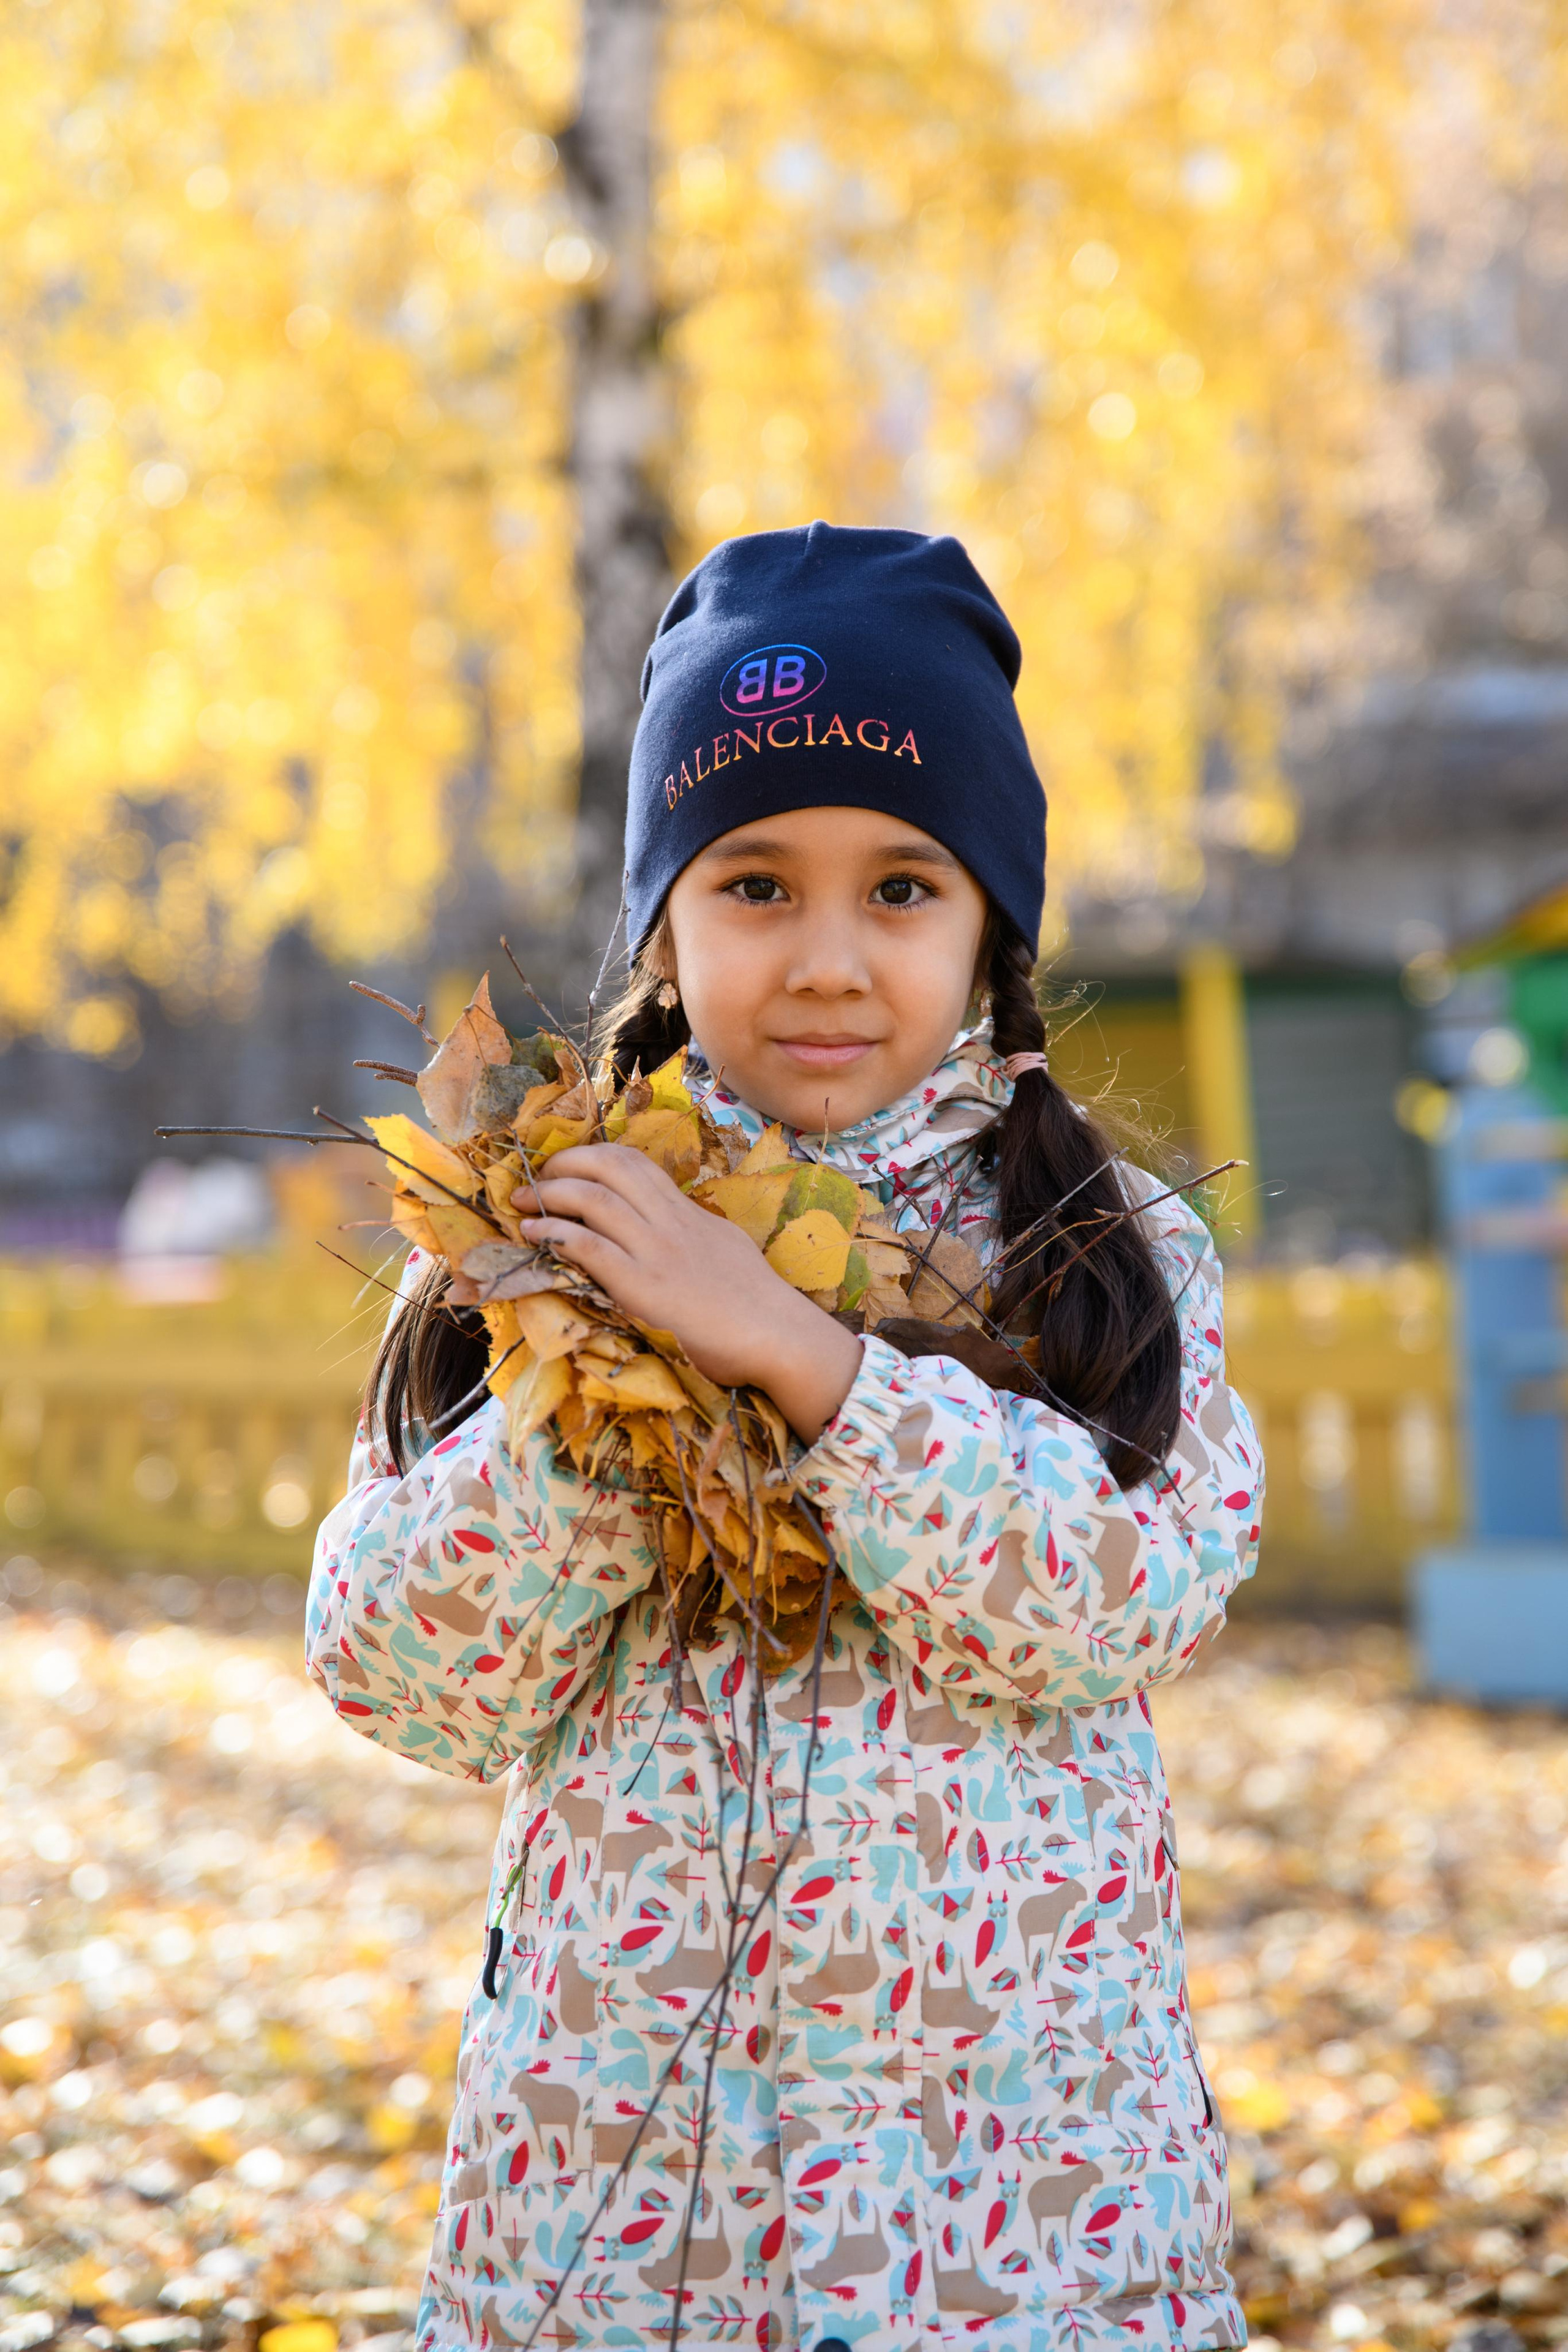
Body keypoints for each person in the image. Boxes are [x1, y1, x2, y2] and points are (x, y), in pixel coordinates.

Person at [307, 522, 1263, 2352]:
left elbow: (1117, 1597)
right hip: (624, 2205)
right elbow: (400, 1673)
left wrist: (801, 1362)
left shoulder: (1104, 1254)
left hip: (1018, 2213)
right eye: (755, 884)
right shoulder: (535, 1248)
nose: (828, 959)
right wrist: (603, 1392)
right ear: (666, 915)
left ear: (993, 919)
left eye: (903, 888)